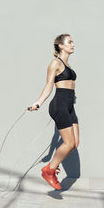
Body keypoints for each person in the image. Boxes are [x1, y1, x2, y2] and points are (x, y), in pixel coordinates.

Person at [28, 33, 79, 190]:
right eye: (69, 42)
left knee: (74, 143)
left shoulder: (68, 65)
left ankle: (51, 167)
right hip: (60, 103)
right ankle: (49, 171)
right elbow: (49, 85)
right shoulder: (55, 63)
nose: (73, 44)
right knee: (68, 142)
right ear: (61, 45)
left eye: (73, 42)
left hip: (70, 105)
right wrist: (38, 103)